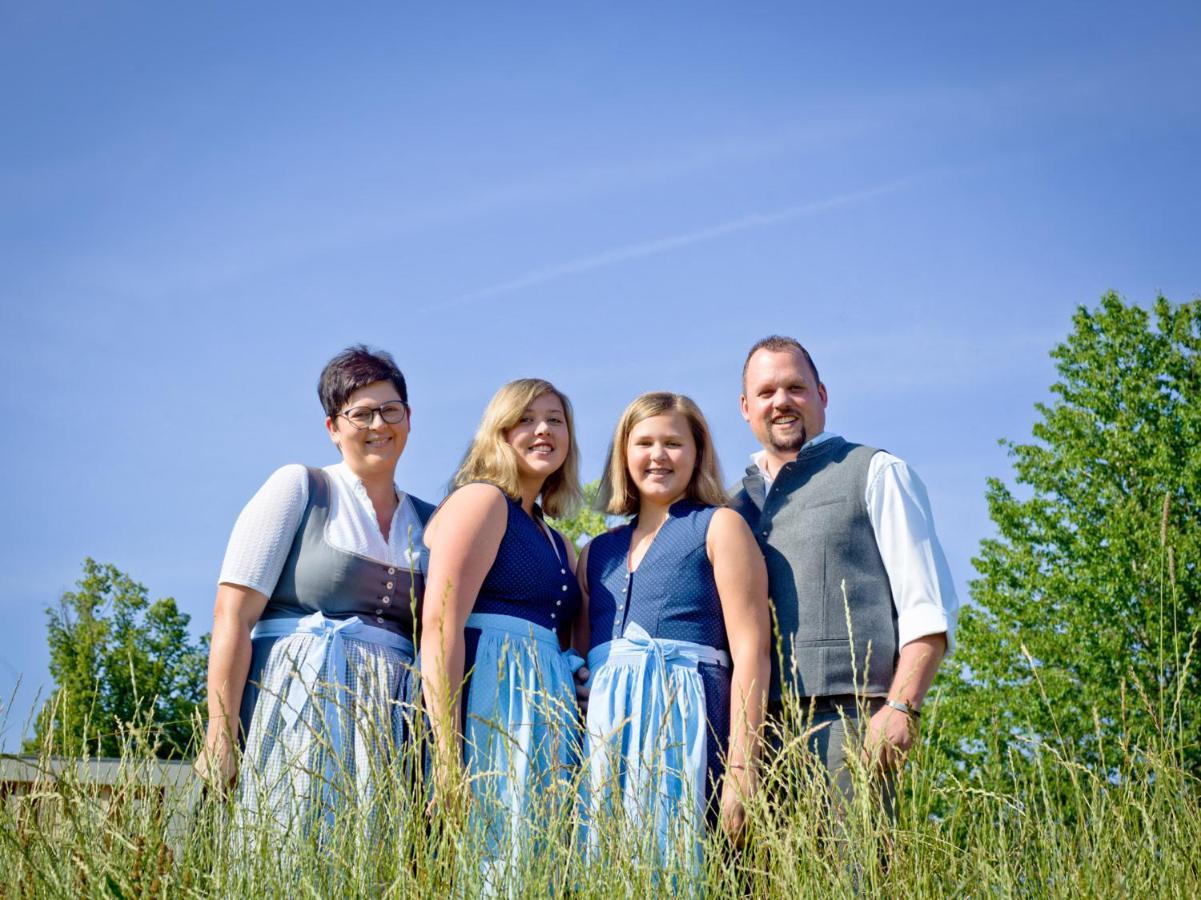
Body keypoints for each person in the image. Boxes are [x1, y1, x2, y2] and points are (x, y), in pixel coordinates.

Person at [196, 345, 434, 828]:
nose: (378, 425)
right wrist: (219, 738)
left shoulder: (431, 521)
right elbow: (232, 615)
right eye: (360, 413)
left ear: (409, 418)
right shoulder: (301, 487)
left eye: (390, 410)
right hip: (293, 707)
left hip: (389, 724)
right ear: (333, 427)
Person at [730, 335, 958, 812]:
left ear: (822, 396)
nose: (782, 402)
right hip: (746, 739)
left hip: (849, 726)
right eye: (767, 392)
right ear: (745, 407)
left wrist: (902, 707)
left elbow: (927, 609)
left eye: (795, 387)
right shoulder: (730, 505)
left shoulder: (874, 471)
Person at [577, 392, 770, 869]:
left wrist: (743, 770)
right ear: (624, 454)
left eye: (673, 443)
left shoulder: (719, 526)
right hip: (608, 739)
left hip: (690, 723)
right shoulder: (595, 552)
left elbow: (752, 651)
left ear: (697, 452)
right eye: (644, 442)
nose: (658, 455)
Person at [420, 378, 584, 887]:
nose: (543, 431)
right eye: (526, 420)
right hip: (487, 713)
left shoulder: (561, 543)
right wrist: (448, 759)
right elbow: (439, 625)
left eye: (555, 420)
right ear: (499, 432)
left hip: (540, 727)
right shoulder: (483, 502)